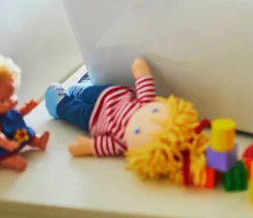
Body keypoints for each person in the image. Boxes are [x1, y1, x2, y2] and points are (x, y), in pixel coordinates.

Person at [44, 58, 209, 185]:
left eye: (138, 132)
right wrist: (141, 72)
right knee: (88, 92)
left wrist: (88, 147)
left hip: (93, 118)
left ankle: (59, 105)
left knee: (74, 110)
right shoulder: (146, 102)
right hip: (111, 94)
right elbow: (145, 85)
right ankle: (78, 90)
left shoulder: (123, 143)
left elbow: (105, 146)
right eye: (155, 111)